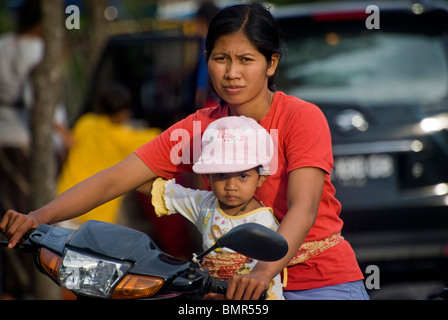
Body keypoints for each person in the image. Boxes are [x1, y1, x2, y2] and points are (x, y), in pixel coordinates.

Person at [1, 2, 369, 300]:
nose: (232, 73)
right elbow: (116, 178)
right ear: (206, 59)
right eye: (221, 58)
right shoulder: (199, 128)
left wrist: (262, 273)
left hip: (320, 283)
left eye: (246, 60)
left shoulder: (301, 118)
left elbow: (303, 209)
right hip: (230, 291)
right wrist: (39, 216)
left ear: (271, 64)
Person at [151, 115, 283, 300]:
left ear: (260, 178)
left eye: (243, 176)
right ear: (208, 177)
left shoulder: (263, 222)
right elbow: (160, 190)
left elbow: (257, 282)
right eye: (221, 174)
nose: (231, 185)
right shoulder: (204, 204)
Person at [56, 83, 161, 226]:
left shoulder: (87, 122)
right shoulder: (126, 138)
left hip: (65, 202)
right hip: (96, 214)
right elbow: (162, 138)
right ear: (125, 112)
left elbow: (70, 145)